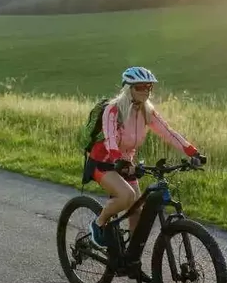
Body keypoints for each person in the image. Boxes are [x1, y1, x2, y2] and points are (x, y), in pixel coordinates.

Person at [86, 66, 205, 262]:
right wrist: (119, 161)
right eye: (140, 87)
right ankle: (98, 224)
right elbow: (110, 140)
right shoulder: (113, 110)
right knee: (127, 196)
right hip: (104, 162)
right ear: (128, 89)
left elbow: (169, 133)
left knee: (137, 211)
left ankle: (131, 259)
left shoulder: (147, 112)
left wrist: (192, 152)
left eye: (149, 87)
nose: (146, 91)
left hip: (127, 164)